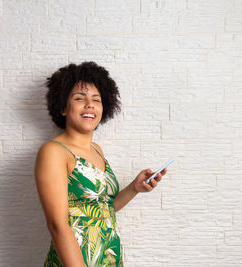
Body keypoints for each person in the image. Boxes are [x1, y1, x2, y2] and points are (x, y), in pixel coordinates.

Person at [34, 61, 166, 267]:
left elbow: (102, 209)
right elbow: (57, 225)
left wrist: (134, 188)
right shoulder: (53, 152)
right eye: (79, 98)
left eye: (96, 99)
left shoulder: (97, 151)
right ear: (62, 107)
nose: (90, 105)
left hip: (107, 256)